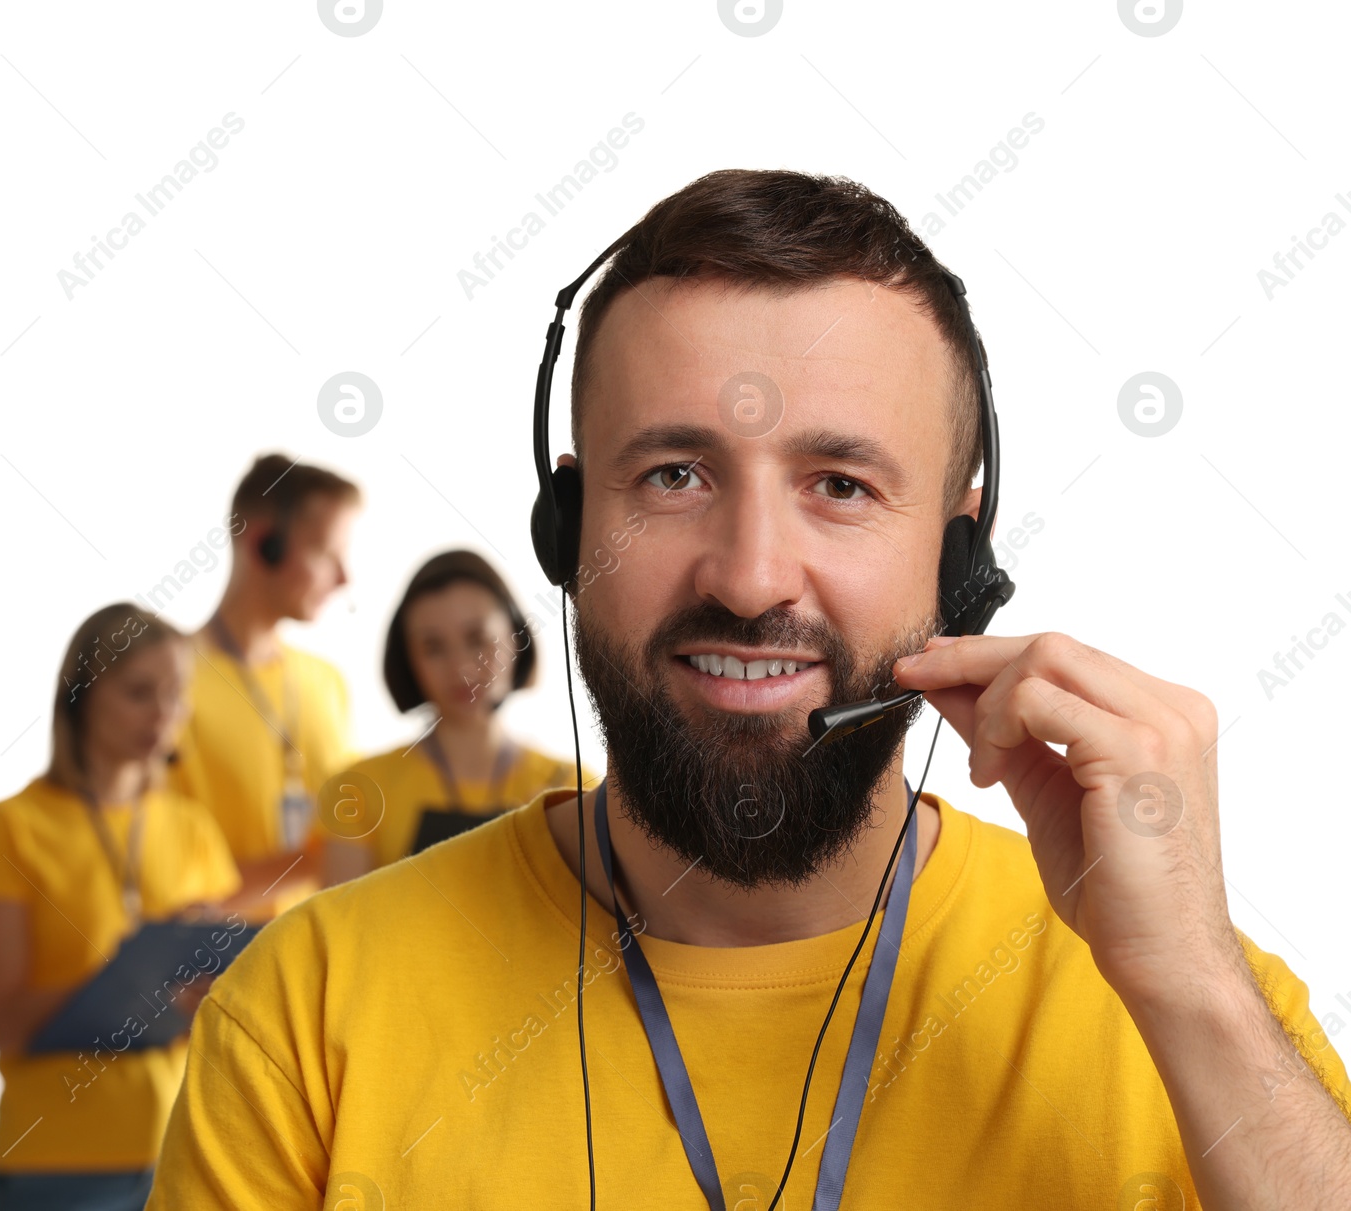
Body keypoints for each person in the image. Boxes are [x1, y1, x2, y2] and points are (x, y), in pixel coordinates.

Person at [146, 171, 1351, 1208]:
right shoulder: (305, 1017)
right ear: (567, 527)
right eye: (673, 473)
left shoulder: (1188, 1005)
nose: (750, 575)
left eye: (838, 483)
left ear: (958, 554)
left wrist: (1193, 988)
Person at [0, 603, 240, 1210]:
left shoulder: (193, 829)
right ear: (81, 696)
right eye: (140, 693)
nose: (164, 715)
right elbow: (7, 1021)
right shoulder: (11, 828)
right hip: (60, 1161)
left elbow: (215, 996)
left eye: (177, 695)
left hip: (182, 1147)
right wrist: (121, 983)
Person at [319, 549, 599, 885]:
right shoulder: (358, 791)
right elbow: (346, 933)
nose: (461, 668)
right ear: (408, 660)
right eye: (433, 647)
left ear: (516, 638)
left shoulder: (572, 789)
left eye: (477, 639)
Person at [167, 453, 361, 918]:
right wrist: (317, 859)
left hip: (320, 973)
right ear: (263, 543)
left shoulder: (326, 682)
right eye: (325, 553)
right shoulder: (168, 683)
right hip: (208, 975)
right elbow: (158, 877)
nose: (343, 578)